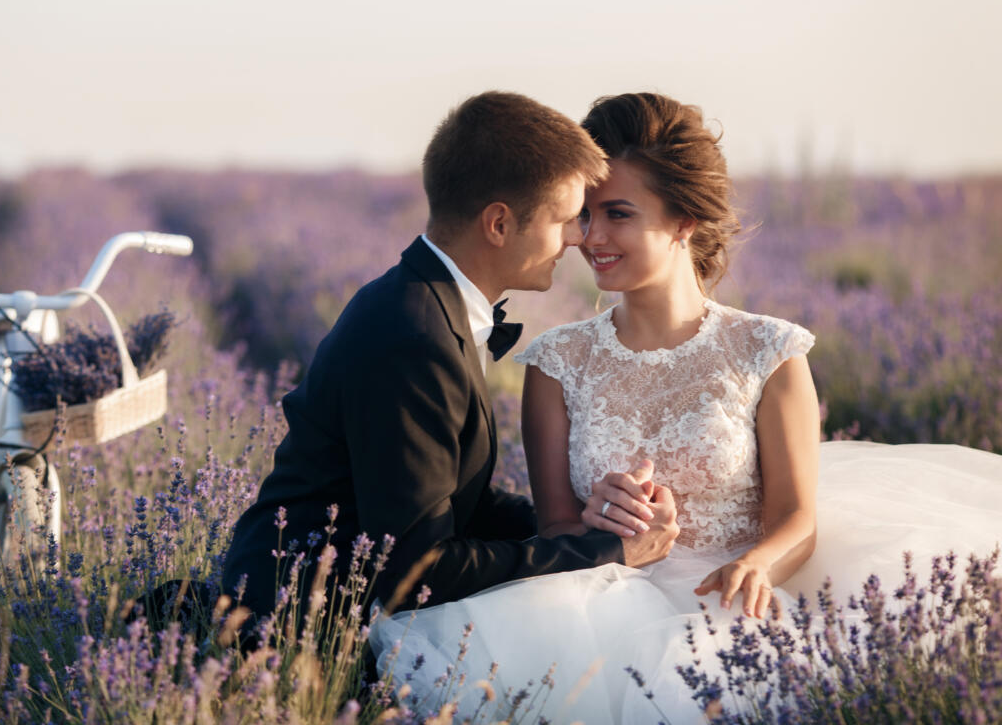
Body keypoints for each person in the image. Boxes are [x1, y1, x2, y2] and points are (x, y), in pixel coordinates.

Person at [368, 92, 1002, 723]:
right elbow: (555, 531)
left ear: (683, 221)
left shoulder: (768, 351)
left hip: (734, 603)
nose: (591, 238)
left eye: (617, 214)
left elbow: (797, 520)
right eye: (584, 216)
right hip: (595, 609)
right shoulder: (556, 362)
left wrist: (754, 565)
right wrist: (595, 523)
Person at [220, 91, 680, 634]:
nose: (578, 238)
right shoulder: (413, 335)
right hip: (301, 625)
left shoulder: (427, 303)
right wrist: (607, 554)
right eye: (565, 220)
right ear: (499, 224)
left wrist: (576, 527)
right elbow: (416, 568)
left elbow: (458, 500)